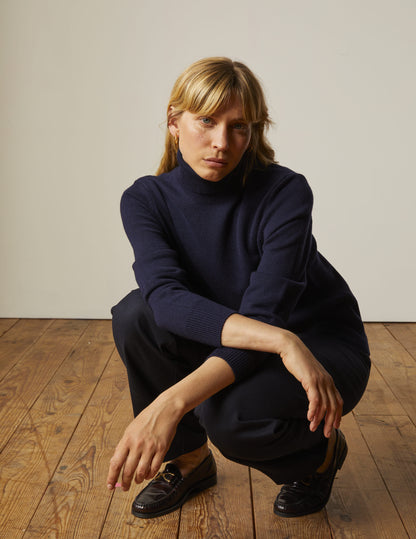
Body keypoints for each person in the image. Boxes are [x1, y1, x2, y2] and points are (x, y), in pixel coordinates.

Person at [107, 57, 371, 519]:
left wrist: (170, 403)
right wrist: (281, 341)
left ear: (254, 132)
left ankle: (321, 456)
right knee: (136, 315)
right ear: (174, 121)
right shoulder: (146, 199)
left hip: (317, 343)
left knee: (229, 416)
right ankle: (189, 461)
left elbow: (267, 313)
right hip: (275, 338)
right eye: (206, 121)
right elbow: (166, 301)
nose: (221, 142)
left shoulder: (285, 192)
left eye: (239, 127)